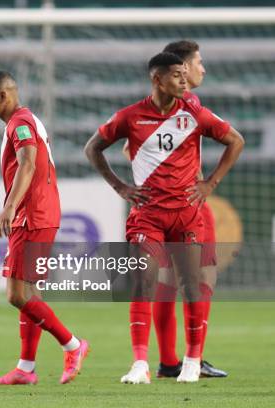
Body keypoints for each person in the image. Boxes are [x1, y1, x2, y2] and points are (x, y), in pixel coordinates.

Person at [85, 53, 244, 383]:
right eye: (176, 75)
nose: (184, 80)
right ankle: (140, 364)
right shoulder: (130, 117)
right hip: (148, 216)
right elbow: (93, 148)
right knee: (144, 282)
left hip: (186, 215)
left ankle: (192, 360)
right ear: (157, 80)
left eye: (185, 74)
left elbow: (235, 141)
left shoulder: (195, 113)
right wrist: (119, 186)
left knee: (192, 286)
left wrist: (210, 183)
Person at [121, 40, 227, 379]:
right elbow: (128, 146)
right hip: (185, 206)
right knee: (196, 281)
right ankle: (187, 358)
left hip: (174, 203)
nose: (201, 70)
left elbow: (128, 148)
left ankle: (172, 360)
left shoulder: (179, 106)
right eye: (197, 63)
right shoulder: (188, 104)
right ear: (177, 70)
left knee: (166, 282)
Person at [0, 71, 89, 386]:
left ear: (4, 95)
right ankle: (25, 369)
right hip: (38, 213)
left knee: (17, 294)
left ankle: (73, 344)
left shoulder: (20, 123)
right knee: (30, 292)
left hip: (33, 215)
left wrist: (11, 206)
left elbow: (28, 162)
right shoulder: (22, 120)